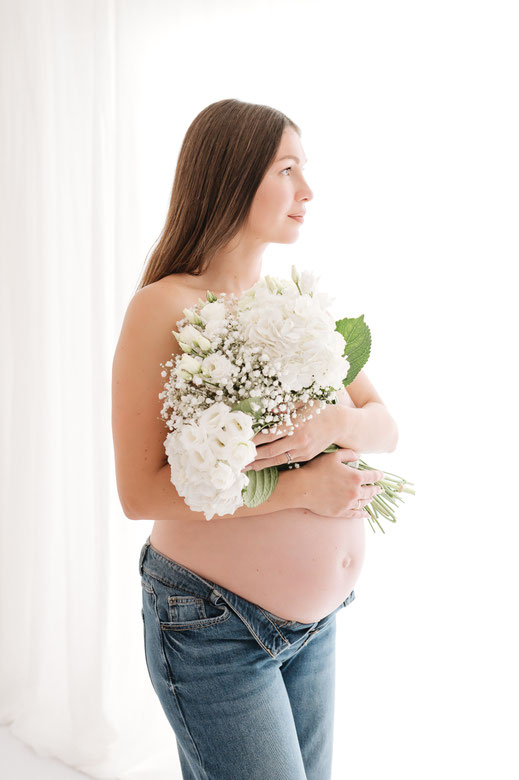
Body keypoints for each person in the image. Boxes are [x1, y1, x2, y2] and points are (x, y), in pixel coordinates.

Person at [112, 98, 398, 780]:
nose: (307, 191)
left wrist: (334, 425)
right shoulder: (166, 307)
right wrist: (304, 487)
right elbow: (138, 491)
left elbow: (384, 424)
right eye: (287, 168)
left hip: (315, 627)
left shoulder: (290, 306)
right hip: (215, 625)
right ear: (234, 175)